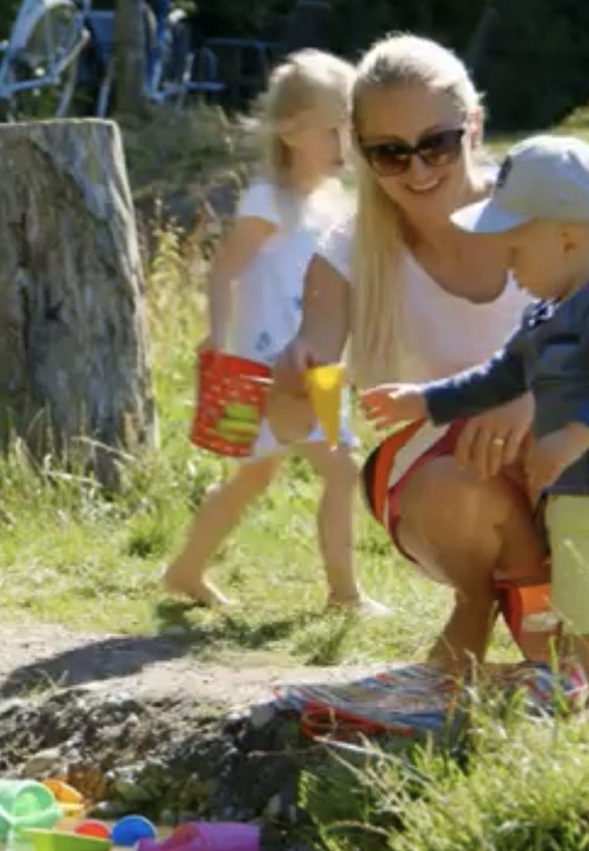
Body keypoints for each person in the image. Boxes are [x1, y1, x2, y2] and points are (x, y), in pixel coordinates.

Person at [267, 34, 589, 669]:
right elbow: (315, 354)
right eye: (390, 153)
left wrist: (532, 399)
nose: (419, 170)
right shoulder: (348, 249)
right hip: (446, 478)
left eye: (437, 143)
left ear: (475, 126)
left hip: (575, 456)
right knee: (462, 474)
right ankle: (498, 610)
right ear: (361, 152)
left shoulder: (548, 213)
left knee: (523, 444)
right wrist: (300, 369)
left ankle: (554, 629)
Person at [360, 134, 589, 723]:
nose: (508, 266)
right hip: (582, 492)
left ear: (566, 240)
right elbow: (499, 377)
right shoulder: (547, 311)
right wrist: (426, 402)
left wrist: (572, 437)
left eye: (515, 249)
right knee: (583, 609)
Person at [161, 49, 388, 615]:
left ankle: (185, 570)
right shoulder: (268, 201)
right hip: (265, 367)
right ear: (291, 131)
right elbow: (225, 269)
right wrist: (218, 334)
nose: (345, 145)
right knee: (335, 467)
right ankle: (344, 595)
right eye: (332, 131)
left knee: (257, 478)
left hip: (320, 362)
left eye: (350, 131)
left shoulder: (334, 204)